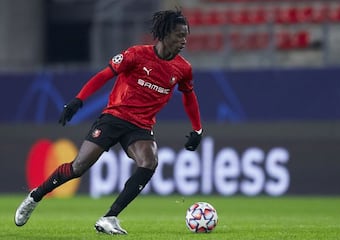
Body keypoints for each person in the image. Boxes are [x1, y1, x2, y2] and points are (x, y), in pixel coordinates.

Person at [14, 9, 203, 235]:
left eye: (186, 36)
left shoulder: (183, 68)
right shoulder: (136, 54)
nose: (184, 41)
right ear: (165, 34)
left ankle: (110, 217)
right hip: (114, 117)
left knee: (149, 162)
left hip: (141, 126)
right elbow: (104, 75)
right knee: (78, 167)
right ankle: (35, 197)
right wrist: (78, 100)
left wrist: (197, 129)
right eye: (179, 35)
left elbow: (189, 96)